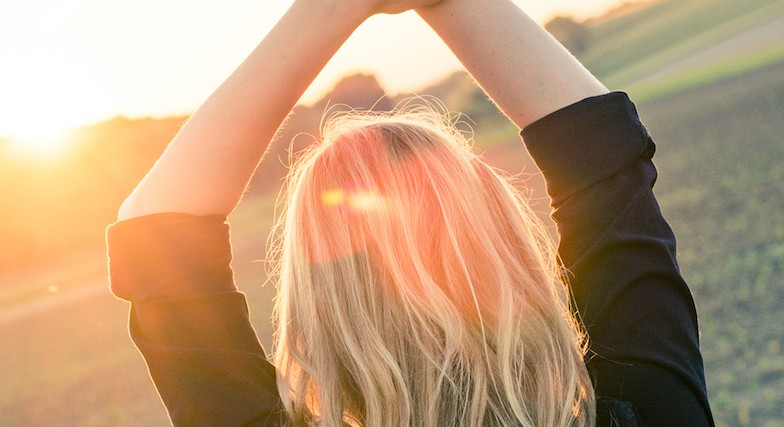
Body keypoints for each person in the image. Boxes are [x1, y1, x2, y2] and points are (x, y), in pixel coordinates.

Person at [106, 0, 714, 425]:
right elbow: (603, 164)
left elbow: (157, 235)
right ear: (503, 249)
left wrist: (331, 8)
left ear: (319, 298)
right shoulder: (649, 412)